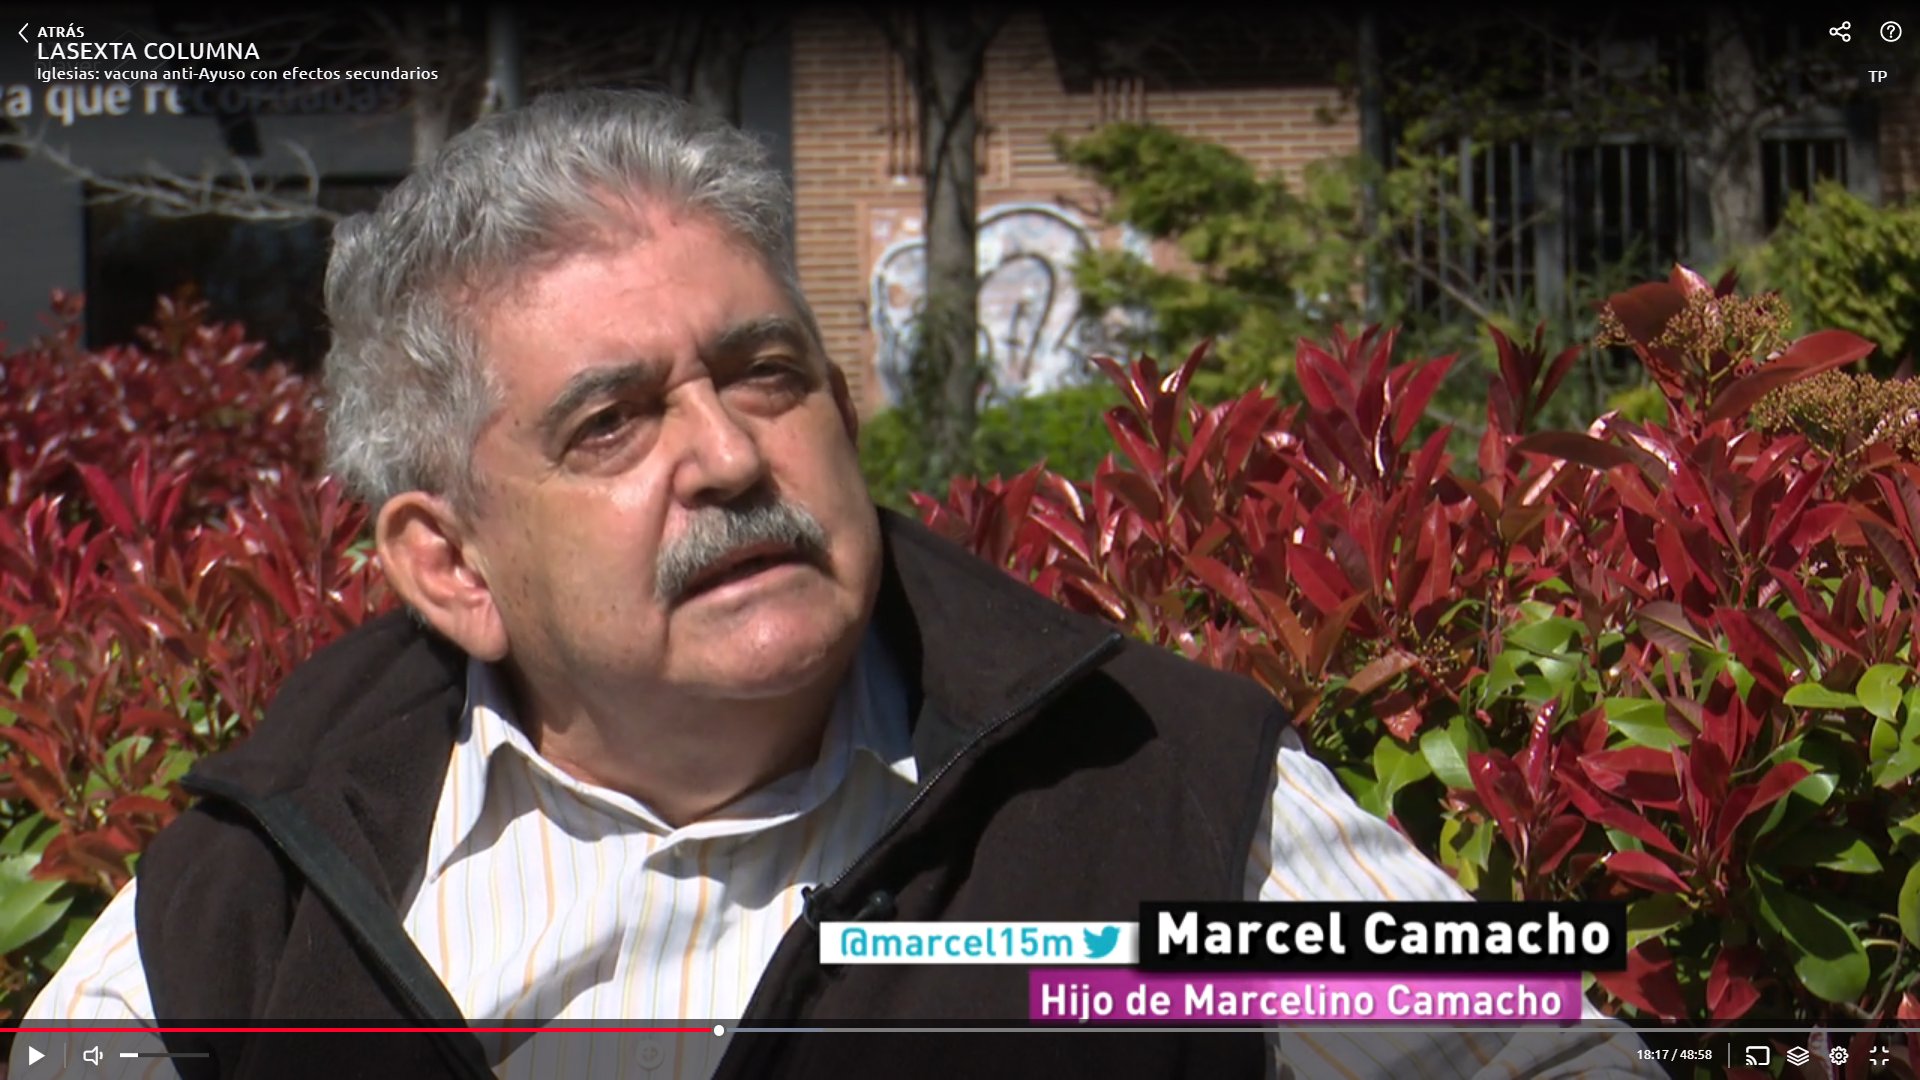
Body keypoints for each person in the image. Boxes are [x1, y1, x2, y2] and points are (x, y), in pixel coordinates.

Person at [16, 90, 1658, 1080]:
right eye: (612, 423)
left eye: (765, 373)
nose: (731, 457)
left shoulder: (1156, 781)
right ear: (450, 564)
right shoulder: (260, 886)